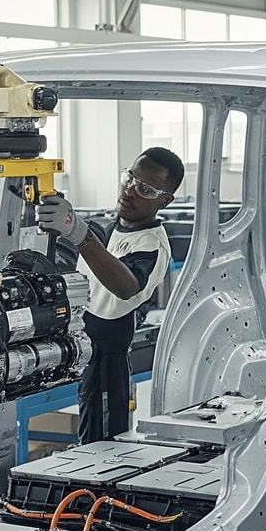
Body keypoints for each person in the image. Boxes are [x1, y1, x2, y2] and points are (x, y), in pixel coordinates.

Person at [36, 147, 185, 444]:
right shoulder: (110, 228)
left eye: (144, 188)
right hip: (82, 342)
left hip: (108, 357)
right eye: (129, 178)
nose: (129, 190)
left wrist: (79, 234)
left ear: (164, 201)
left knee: (102, 440)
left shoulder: (152, 245)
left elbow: (126, 286)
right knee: (89, 432)